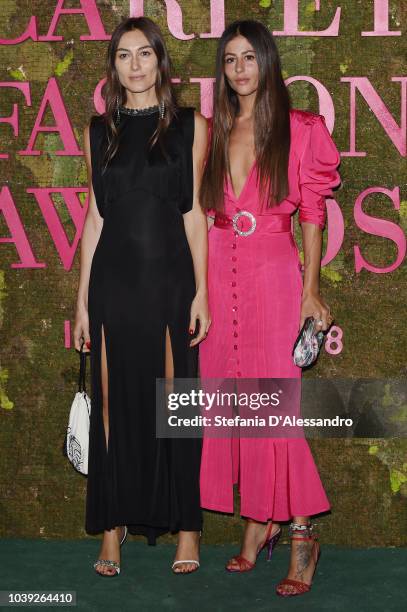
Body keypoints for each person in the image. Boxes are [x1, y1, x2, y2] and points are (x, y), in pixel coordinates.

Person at [198, 20, 341, 596]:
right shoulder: (213, 129)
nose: (239, 68)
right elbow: (200, 214)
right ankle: (259, 524)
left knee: (274, 411)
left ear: (268, 61)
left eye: (249, 57)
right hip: (218, 264)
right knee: (230, 405)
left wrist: (311, 289)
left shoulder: (300, 127)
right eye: (230, 59)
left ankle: (302, 532)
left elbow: (313, 214)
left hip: (273, 273)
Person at [73, 16, 209, 577]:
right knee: (111, 405)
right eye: (124, 55)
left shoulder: (190, 127)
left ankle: (188, 529)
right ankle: (112, 528)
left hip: (171, 283)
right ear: (115, 66)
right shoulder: (96, 131)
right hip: (113, 285)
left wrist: (200, 290)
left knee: (174, 406)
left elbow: (195, 213)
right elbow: (95, 218)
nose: (134, 64)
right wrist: (81, 300)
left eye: (144, 54)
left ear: (160, 61)